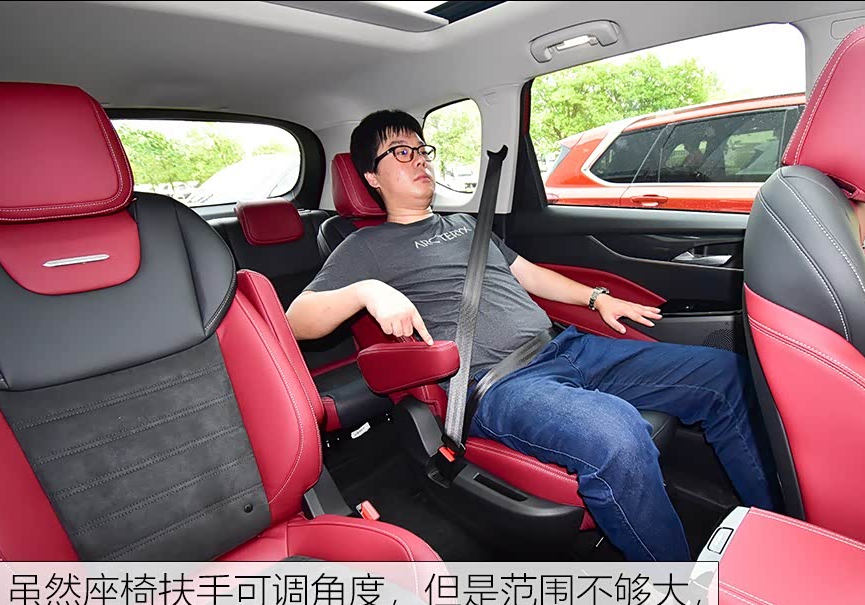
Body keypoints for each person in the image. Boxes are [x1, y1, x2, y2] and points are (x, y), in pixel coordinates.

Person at [286, 110, 777, 561]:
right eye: (400, 152)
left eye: (422, 148)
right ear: (372, 177)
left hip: (566, 347)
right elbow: (295, 320)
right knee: (618, 437)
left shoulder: (464, 225)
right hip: (500, 383)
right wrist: (367, 290)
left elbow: (528, 274)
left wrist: (596, 298)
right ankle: (678, 591)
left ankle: (777, 530)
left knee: (726, 375)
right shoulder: (365, 246)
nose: (419, 160)